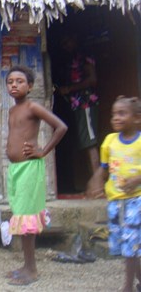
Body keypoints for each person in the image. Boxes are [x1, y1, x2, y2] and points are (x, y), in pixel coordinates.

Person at [5, 65, 68, 286]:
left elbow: (60, 127)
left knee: (26, 218)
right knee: (21, 216)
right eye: (10, 81)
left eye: (20, 81)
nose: (14, 84)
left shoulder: (33, 107)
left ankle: (32, 270)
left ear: (30, 86)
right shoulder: (12, 110)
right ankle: (26, 265)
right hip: (16, 170)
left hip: (29, 168)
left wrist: (43, 151)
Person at [87, 96, 141, 292]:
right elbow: (104, 167)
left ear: (137, 118)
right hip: (115, 202)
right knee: (124, 245)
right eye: (113, 114)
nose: (115, 118)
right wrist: (96, 181)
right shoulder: (110, 141)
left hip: (137, 201)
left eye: (121, 114)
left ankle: (127, 287)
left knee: (131, 244)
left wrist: (137, 179)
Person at [58, 32, 100, 178]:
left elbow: (92, 79)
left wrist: (69, 89)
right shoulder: (72, 58)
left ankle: (98, 184)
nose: (65, 46)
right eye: (63, 44)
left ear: (74, 38)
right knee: (85, 141)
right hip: (77, 104)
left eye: (67, 42)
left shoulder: (84, 56)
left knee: (90, 141)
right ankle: (94, 181)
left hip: (86, 103)